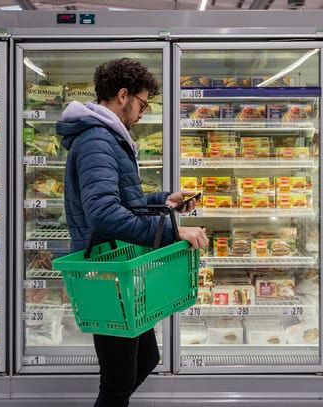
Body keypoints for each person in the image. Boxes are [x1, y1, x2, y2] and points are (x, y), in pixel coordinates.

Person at [57, 58, 209, 407]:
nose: (143, 112)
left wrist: (162, 203)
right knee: (117, 382)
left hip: (121, 268)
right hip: (107, 271)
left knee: (145, 361)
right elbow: (105, 216)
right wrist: (175, 231)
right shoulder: (97, 139)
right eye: (142, 103)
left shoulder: (108, 136)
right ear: (123, 95)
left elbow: (123, 201)